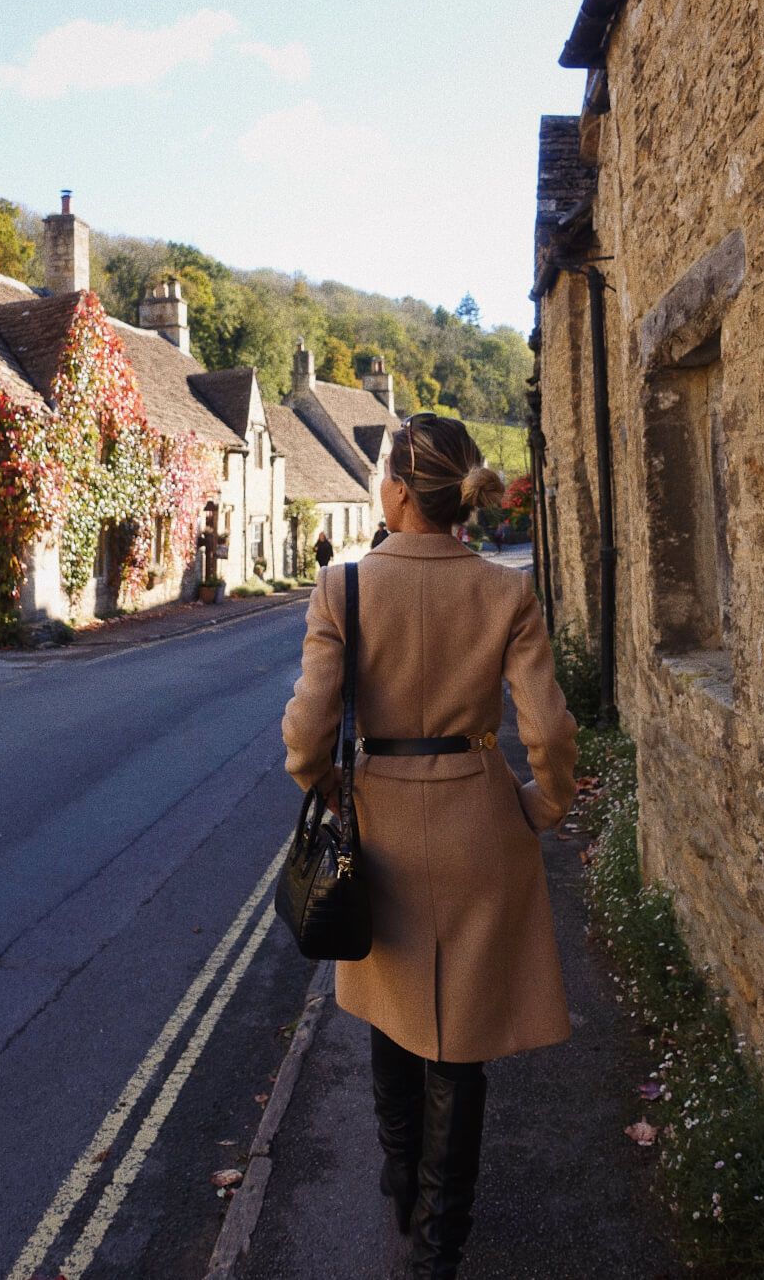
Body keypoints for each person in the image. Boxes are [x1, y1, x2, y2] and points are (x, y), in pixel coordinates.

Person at [283, 413, 576, 1279]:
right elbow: (549, 729)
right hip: (481, 821)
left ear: (402, 492)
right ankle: (441, 1245)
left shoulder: (346, 588)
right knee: (462, 1047)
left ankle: (399, 1176)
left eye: (382, 474)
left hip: (380, 826)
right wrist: (543, 803)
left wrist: (327, 787)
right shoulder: (503, 591)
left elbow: (306, 734)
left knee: (389, 1003)